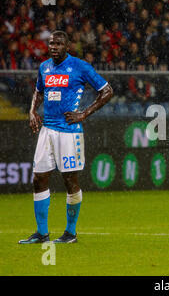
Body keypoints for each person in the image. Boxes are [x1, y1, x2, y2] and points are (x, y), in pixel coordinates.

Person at [19, 31, 113, 244]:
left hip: (69, 132)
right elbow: (39, 92)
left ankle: (70, 233)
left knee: (70, 180)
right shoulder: (44, 67)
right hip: (47, 130)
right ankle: (42, 234)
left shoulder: (80, 66)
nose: (53, 47)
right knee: (39, 178)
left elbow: (107, 91)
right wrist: (32, 111)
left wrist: (84, 113)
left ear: (67, 46)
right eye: (51, 43)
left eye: (58, 44)